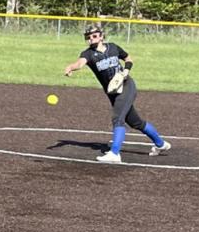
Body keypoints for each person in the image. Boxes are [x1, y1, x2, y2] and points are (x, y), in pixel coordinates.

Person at [63, 25, 171, 164]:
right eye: (88, 37)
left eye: (94, 35)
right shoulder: (88, 54)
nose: (91, 38)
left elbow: (128, 58)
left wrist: (126, 71)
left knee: (117, 118)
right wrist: (70, 67)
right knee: (135, 122)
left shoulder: (113, 47)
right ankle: (161, 144)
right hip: (113, 92)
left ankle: (114, 153)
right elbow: (79, 64)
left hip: (126, 86)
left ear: (101, 36)